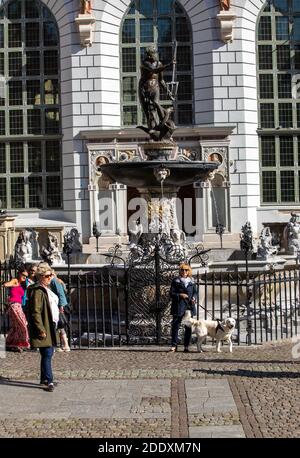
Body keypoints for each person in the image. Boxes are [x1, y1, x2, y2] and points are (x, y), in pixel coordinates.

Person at [27, 265, 59, 392]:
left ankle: (44, 379)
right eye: (47, 276)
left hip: (50, 324)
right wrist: (40, 329)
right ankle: (49, 381)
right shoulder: (38, 291)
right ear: (40, 277)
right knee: (47, 353)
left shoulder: (46, 288)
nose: (50, 277)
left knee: (46, 353)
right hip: (45, 326)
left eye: (51, 275)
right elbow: (35, 311)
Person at [138, 47, 174, 133]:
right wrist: (169, 65)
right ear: (149, 56)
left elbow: (161, 80)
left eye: (155, 53)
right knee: (147, 112)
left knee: (156, 103)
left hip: (155, 87)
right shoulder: (144, 63)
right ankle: (152, 128)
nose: (155, 55)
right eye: (153, 54)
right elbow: (153, 70)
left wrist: (167, 91)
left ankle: (163, 122)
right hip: (144, 88)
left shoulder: (159, 64)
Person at [38, 262, 71, 352]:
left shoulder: (54, 281)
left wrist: (61, 306)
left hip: (59, 306)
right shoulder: (54, 281)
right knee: (59, 327)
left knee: (59, 326)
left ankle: (63, 345)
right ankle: (61, 345)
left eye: (49, 275)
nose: (48, 277)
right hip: (57, 306)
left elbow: (61, 295)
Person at [169, 263, 197, 353]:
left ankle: (186, 346)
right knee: (175, 326)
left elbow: (195, 292)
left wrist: (194, 298)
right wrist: (180, 295)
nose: (184, 271)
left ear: (189, 271)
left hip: (189, 306)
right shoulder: (176, 280)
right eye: (182, 270)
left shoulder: (192, 281)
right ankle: (174, 345)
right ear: (180, 271)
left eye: (186, 270)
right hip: (178, 306)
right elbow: (171, 293)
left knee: (188, 327)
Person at [2, 269, 31, 352]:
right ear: (19, 274)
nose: (24, 277)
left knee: (16, 326)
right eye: (23, 275)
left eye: (26, 276)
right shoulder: (15, 281)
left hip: (19, 306)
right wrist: (8, 284)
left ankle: (11, 343)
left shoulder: (22, 284)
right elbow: (6, 284)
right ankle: (22, 343)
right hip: (14, 305)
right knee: (22, 323)